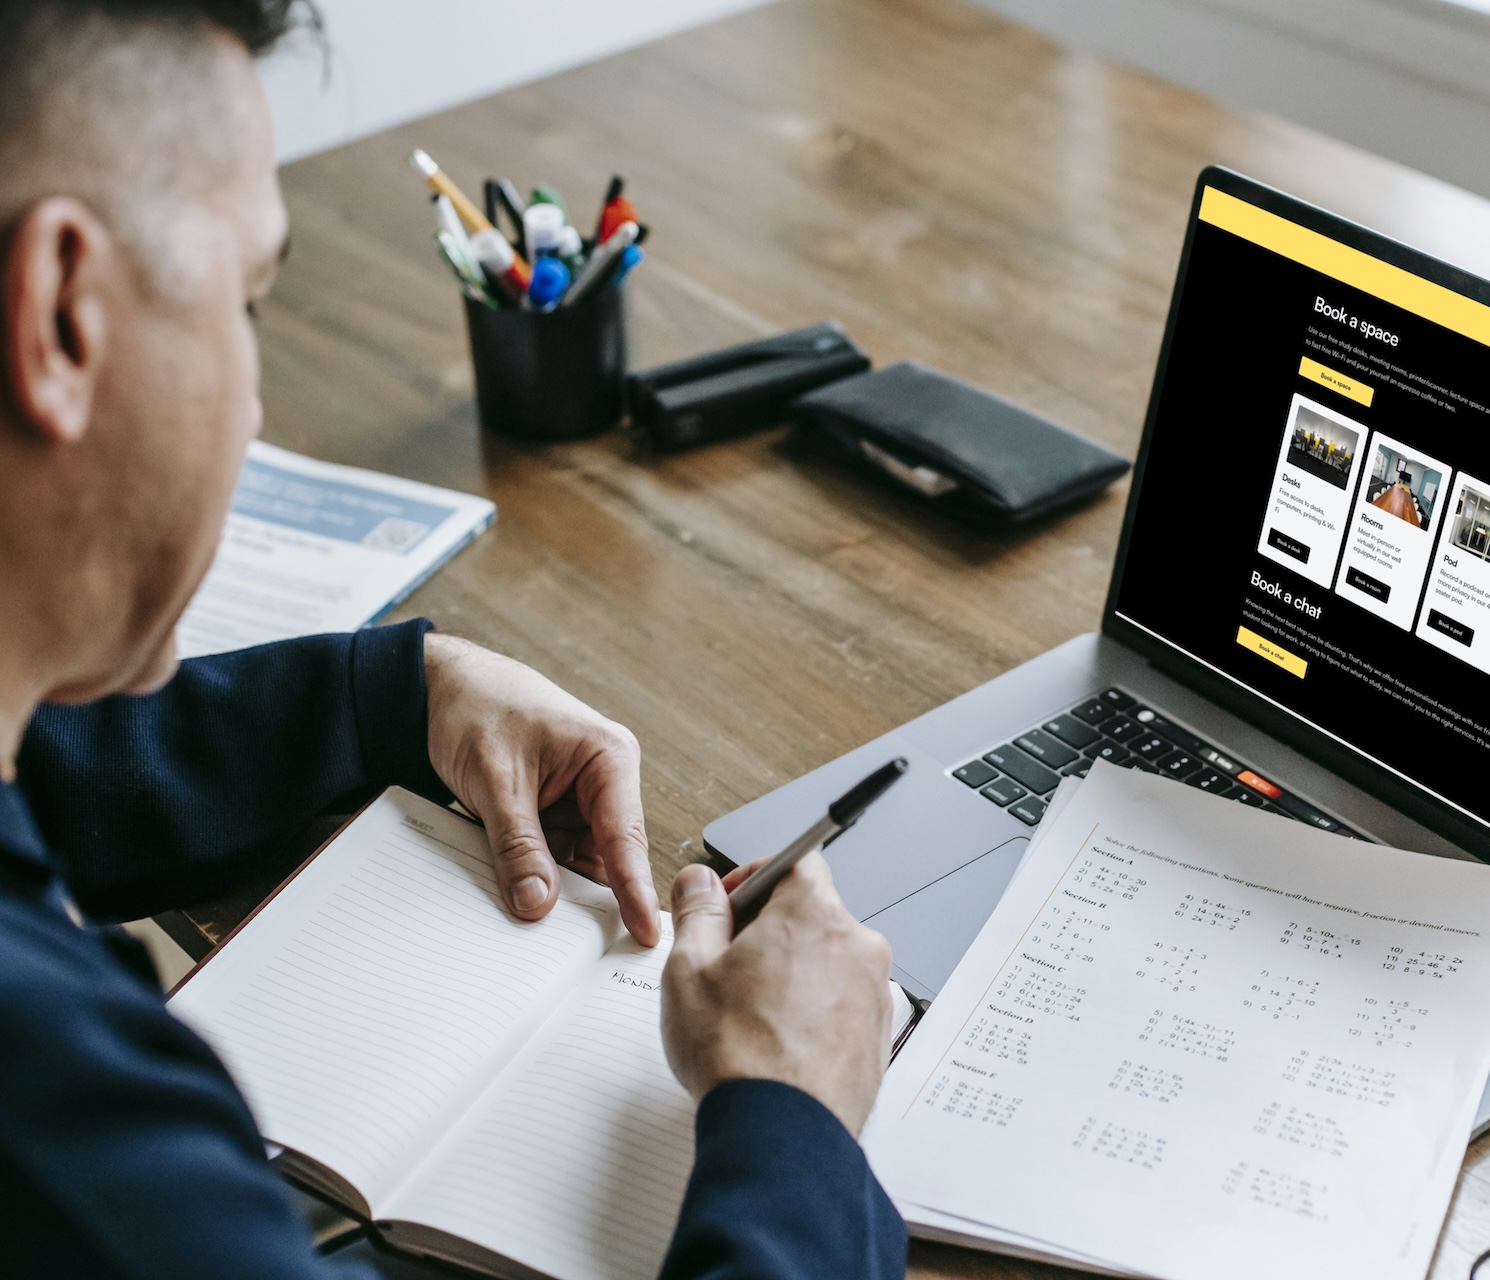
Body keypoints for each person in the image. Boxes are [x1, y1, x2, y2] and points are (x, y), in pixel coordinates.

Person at [0, 2, 906, 1276]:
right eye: (249, 301)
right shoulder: (70, 1141)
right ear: (62, 316)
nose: (252, 393)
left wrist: (388, 694)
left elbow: (40, 771)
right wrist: (796, 1126)